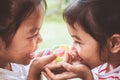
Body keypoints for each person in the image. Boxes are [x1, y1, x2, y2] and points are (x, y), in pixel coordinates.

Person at [43, 0, 120, 80]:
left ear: (114, 43)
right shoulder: (102, 64)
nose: (72, 48)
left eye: (78, 42)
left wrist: (86, 76)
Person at [0, 0, 57, 80]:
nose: (40, 39)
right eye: (34, 35)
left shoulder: (15, 62)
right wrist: (35, 72)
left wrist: (41, 57)